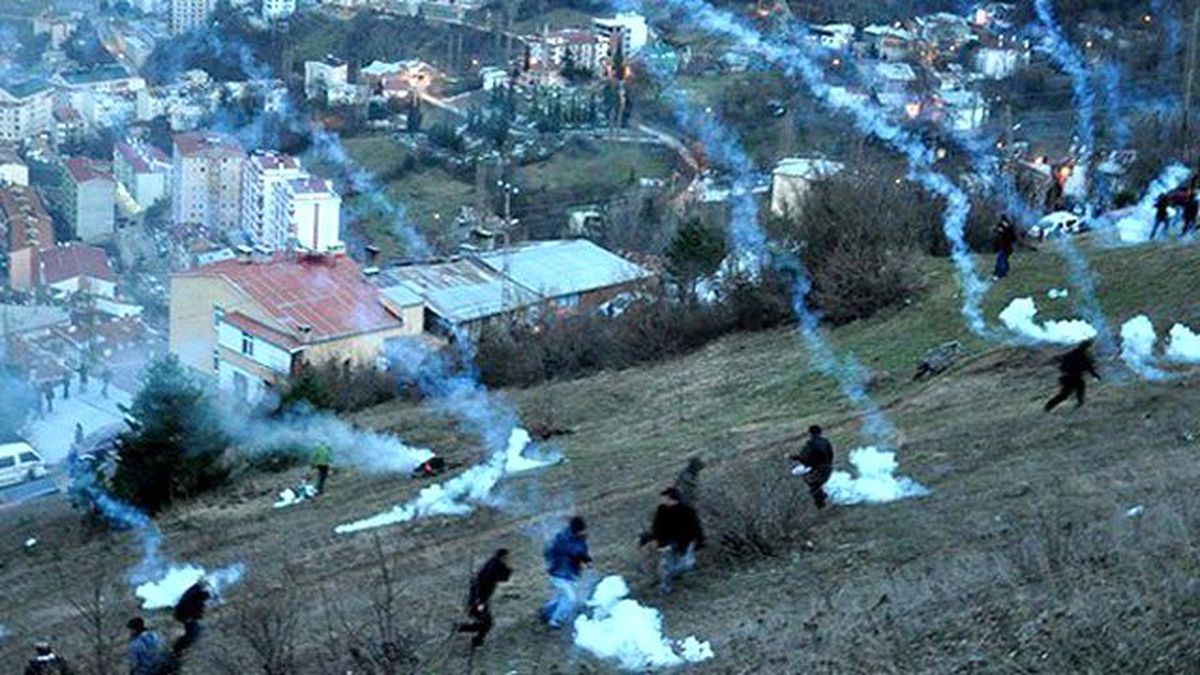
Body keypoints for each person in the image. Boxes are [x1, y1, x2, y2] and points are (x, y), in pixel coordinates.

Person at [639, 488, 704, 594]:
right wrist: (658, 542)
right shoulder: (661, 511)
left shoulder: (687, 511)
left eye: (664, 498)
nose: (661, 500)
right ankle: (665, 587)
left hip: (686, 542)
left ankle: (673, 576)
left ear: (671, 499)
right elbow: (657, 528)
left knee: (687, 565)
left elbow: (695, 528)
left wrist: (698, 542)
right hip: (667, 544)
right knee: (666, 565)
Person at [540, 516, 592, 630]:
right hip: (559, 575)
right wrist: (586, 560)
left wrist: (586, 560)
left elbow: (579, 552)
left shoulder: (575, 538)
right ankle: (555, 621)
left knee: (562, 597)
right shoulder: (566, 539)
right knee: (570, 598)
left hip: (569, 574)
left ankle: (546, 611)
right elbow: (575, 551)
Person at [457, 548, 513, 648]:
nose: (509, 559)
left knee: (485, 621)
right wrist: (509, 569)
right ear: (503, 557)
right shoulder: (493, 567)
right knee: (487, 623)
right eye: (507, 558)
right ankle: (464, 630)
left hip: (480, 599)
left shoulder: (493, 563)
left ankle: (470, 634)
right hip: (479, 601)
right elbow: (503, 578)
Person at [1045, 339, 1101, 411]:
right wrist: (1095, 375)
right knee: (1071, 392)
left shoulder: (1071, 354)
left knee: (1067, 394)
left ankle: (1049, 407)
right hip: (1073, 377)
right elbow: (1089, 367)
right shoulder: (1082, 356)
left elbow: (1061, 364)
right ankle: (1078, 406)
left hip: (1068, 377)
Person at [791, 425, 834, 509]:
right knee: (816, 484)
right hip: (828, 468)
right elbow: (831, 455)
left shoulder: (811, 444)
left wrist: (793, 457)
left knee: (812, 484)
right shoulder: (826, 442)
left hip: (819, 470)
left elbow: (803, 457)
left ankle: (821, 505)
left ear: (810, 433)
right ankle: (823, 500)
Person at [172, 579, 212, 656]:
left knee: (194, 632)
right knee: (193, 633)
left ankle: (179, 650)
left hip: (184, 615)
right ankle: (178, 650)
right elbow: (197, 612)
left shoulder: (194, 592)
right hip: (185, 616)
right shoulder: (195, 597)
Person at [992, 215, 1018, 280]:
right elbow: (996, 231)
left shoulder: (1009, 228)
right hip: (1003, 246)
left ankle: (999, 274)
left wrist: (1004, 230)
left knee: (1001, 259)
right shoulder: (1002, 226)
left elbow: (1013, 238)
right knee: (1003, 259)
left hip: (1006, 247)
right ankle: (1003, 272)